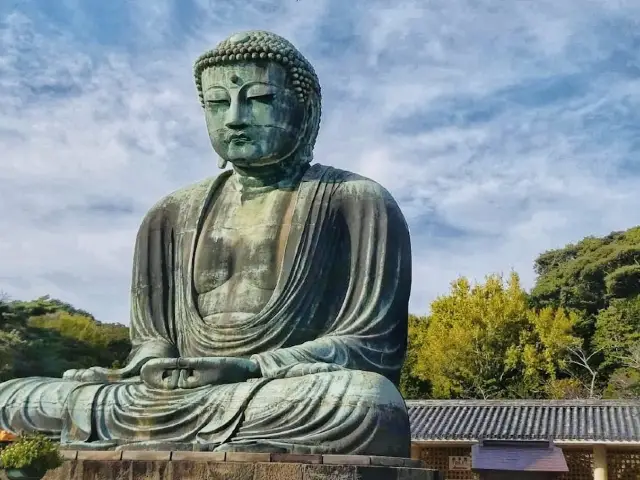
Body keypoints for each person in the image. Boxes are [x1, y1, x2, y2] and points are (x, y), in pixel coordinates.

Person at [0, 31, 412, 456]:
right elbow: (152, 341)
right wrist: (146, 366)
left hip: (279, 390)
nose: (234, 117)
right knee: (11, 398)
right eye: (217, 103)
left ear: (304, 110)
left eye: (260, 99)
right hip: (171, 397)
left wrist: (253, 366)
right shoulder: (169, 214)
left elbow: (371, 344)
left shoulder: (356, 201)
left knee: (365, 401)